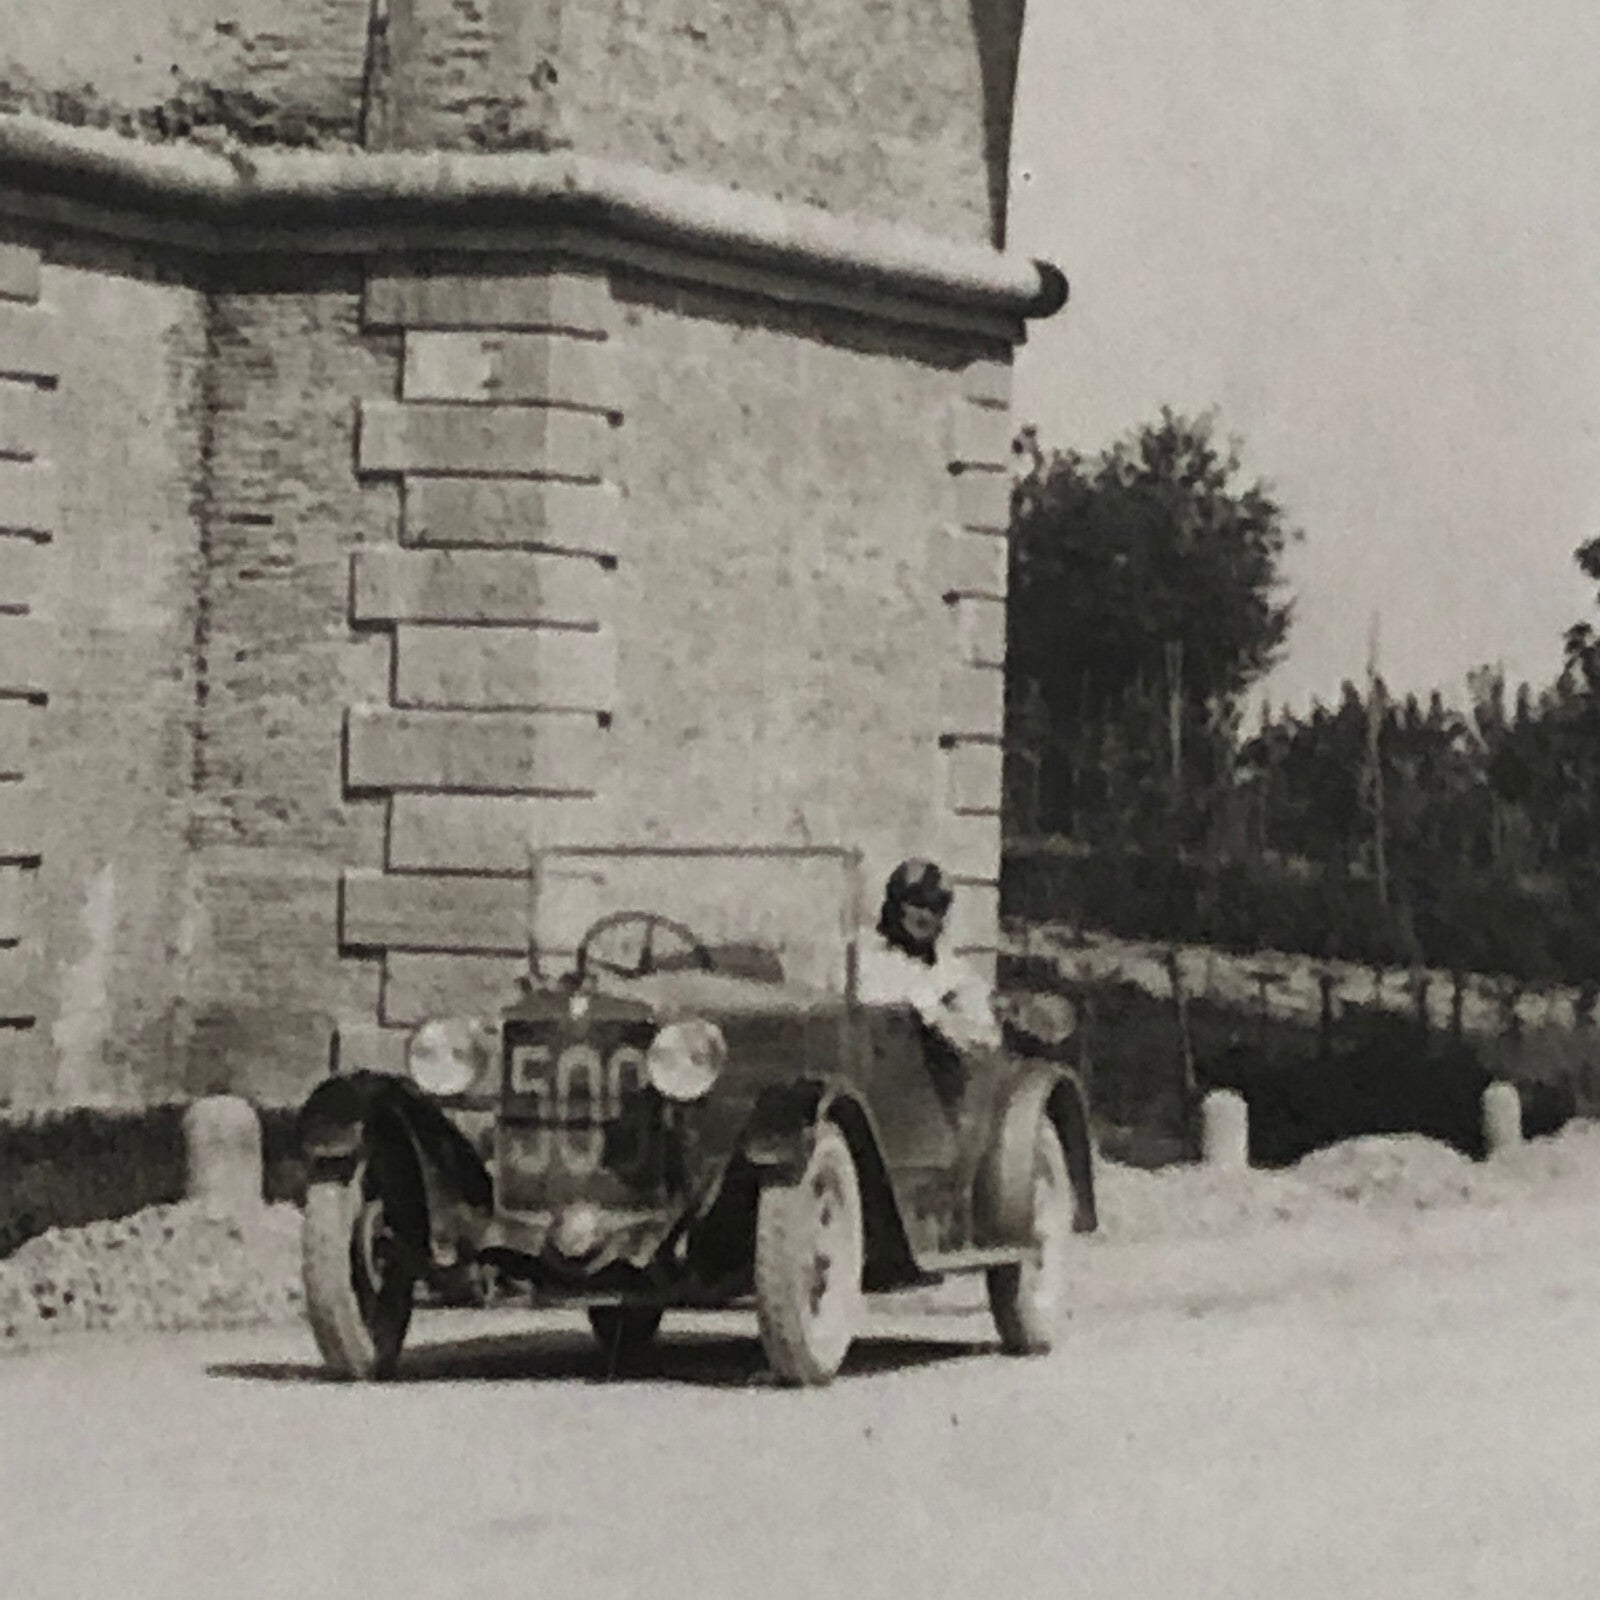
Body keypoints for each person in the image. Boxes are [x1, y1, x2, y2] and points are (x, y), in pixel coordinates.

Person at [856, 858, 1002, 1052]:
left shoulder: (954, 971)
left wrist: (945, 1020)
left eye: (935, 907)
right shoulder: (867, 959)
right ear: (896, 904)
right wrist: (936, 1012)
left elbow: (988, 1038)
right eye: (916, 903)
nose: (924, 915)